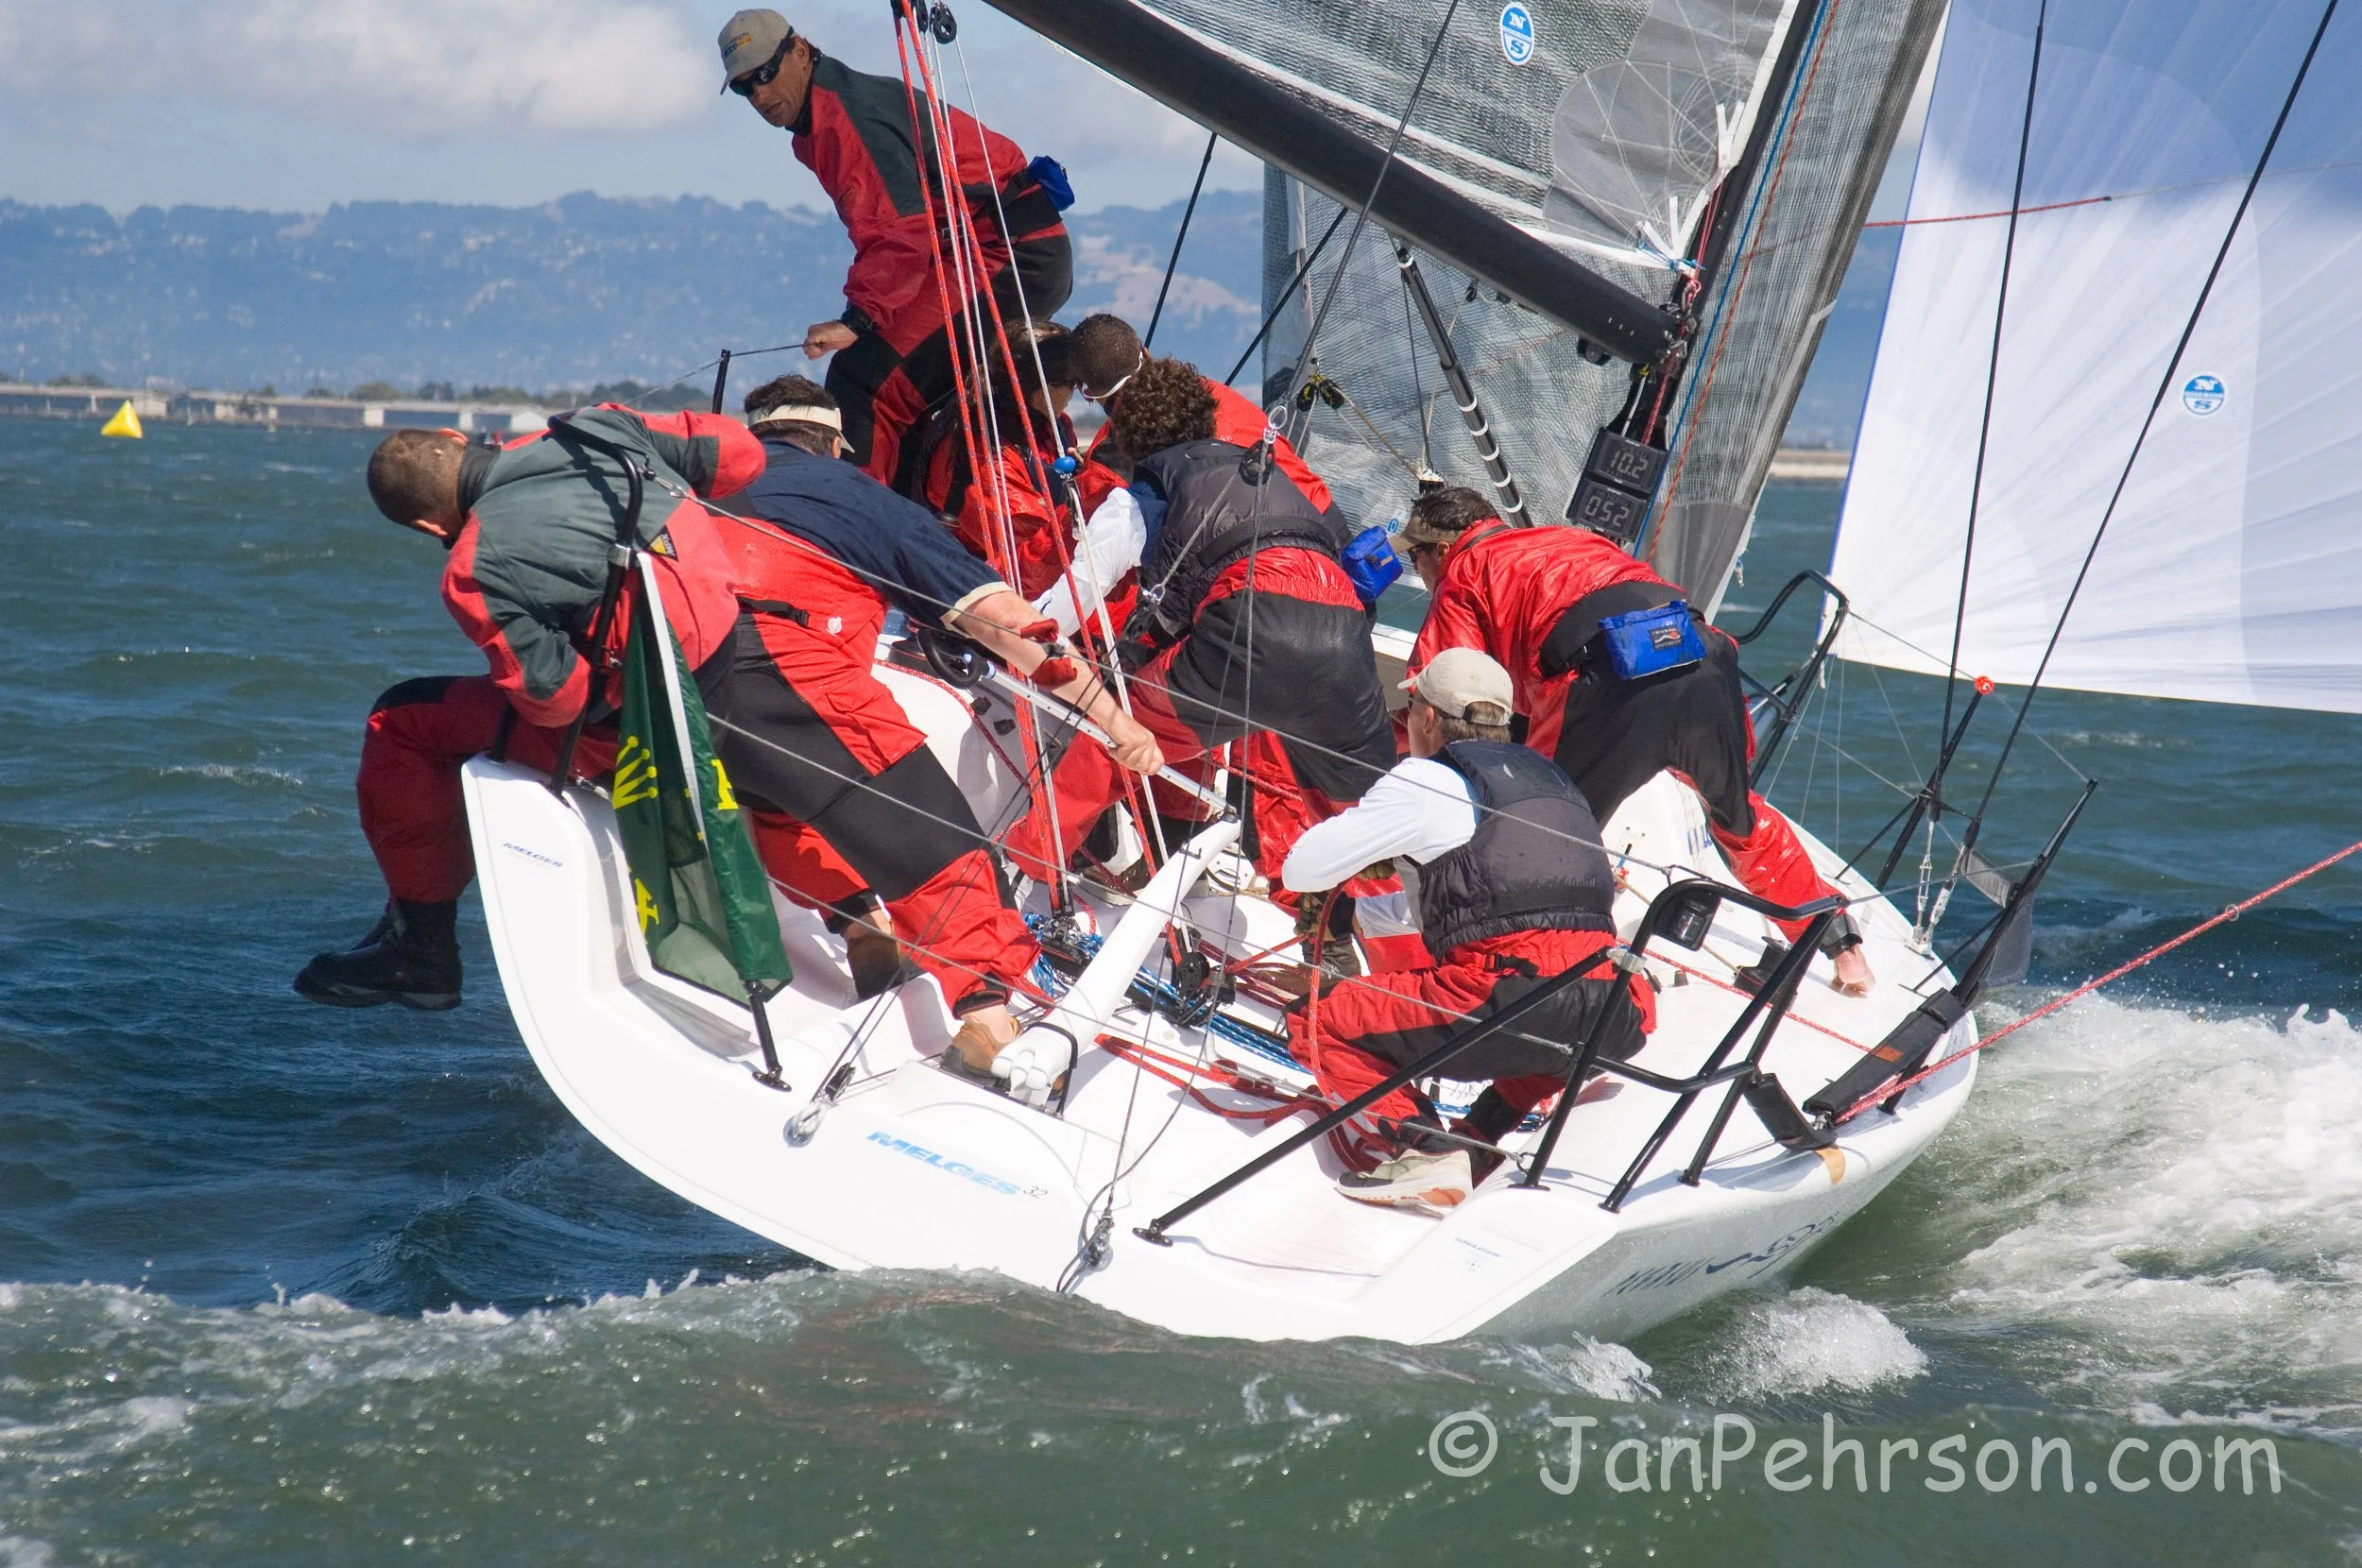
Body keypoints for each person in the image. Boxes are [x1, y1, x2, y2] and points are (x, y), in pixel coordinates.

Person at [717, 376, 1164, 1072]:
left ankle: (862, 925)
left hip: (672, 680)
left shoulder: (698, 483)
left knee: (781, 806)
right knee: (942, 844)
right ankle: (987, 1018)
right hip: (786, 672)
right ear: (837, 445)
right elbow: (1019, 633)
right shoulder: (857, 496)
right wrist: (1115, 722)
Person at [295, 407, 767, 1010]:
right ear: (455, 439)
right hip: (735, 655)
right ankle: (406, 927)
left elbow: (556, 702)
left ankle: (424, 954)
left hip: (644, 729)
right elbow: (742, 456)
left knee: (400, 720)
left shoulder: (472, 567)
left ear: (423, 524)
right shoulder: (597, 426)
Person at [1399, 486, 1874, 995]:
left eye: (1415, 557)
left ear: (1442, 550)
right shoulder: (1573, 539)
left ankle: (1560, 974)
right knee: (1739, 817)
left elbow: (1446, 701)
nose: (1418, 571)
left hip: (1608, 684)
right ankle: (1843, 949)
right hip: (1702, 657)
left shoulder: (1464, 574)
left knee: (1540, 832)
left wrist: (1396, 768)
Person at [1003, 356, 1396, 904]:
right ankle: (1388, 959)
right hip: (1346, 644)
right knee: (1376, 836)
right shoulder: (1274, 472)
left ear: (1131, 434)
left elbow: (1071, 602)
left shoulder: (1146, 493)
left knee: (1114, 738)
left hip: (1248, 637)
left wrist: (1007, 636)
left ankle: (1014, 878)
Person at [1280, 649, 1654, 1214]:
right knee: (1547, 1030)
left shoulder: (1426, 779)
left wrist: (1379, 849)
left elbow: (1301, 869)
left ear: (1428, 718)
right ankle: (1479, 1138)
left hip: (1506, 995)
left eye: (1410, 708)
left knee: (1317, 1016)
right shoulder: (1554, 779)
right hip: (1615, 1006)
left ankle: (1429, 1150)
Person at [720, 9, 1073, 488]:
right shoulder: (819, 121)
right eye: (744, 87)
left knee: (864, 385)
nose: (759, 94)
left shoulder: (843, 117)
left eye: (764, 74)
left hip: (1012, 255)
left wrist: (858, 321)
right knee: (883, 382)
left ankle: (857, 534)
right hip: (978, 251)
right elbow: (896, 231)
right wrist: (862, 319)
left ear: (800, 51)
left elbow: (900, 234)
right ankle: (905, 522)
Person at [1066, 314, 1330, 510]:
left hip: (1259, 560)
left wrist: (1077, 484)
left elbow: (1052, 559)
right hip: (1331, 529)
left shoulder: (1116, 453)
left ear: (1086, 393)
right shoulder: (1213, 391)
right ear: (1145, 354)